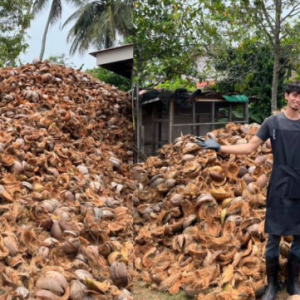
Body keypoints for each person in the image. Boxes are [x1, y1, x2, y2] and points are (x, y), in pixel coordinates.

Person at [197, 82, 300, 300]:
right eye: (294, 95)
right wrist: (221, 147)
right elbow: (250, 146)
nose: (297, 100)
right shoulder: (272, 123)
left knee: (299, 238)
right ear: (286, 96)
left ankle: (292, 285)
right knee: (273, 237)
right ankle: (272, 286)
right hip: (280, 185)